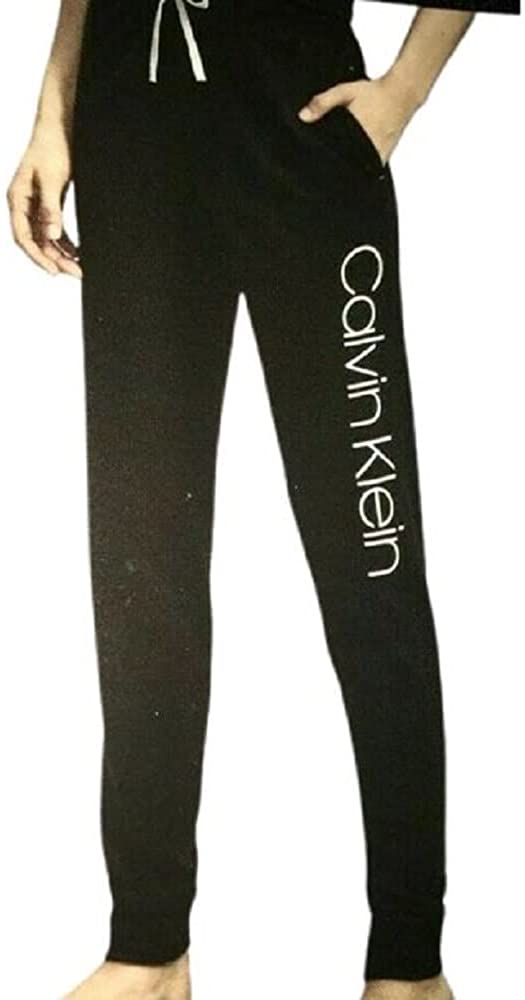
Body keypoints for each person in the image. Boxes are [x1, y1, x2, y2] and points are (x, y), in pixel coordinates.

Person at [8, 2, 499, 998]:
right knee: (141, 555)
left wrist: (402, 93)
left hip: (303, 138)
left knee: (369, 557)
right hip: (133, 140)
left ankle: (410, 965)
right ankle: (150, 948)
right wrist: (54, 112)